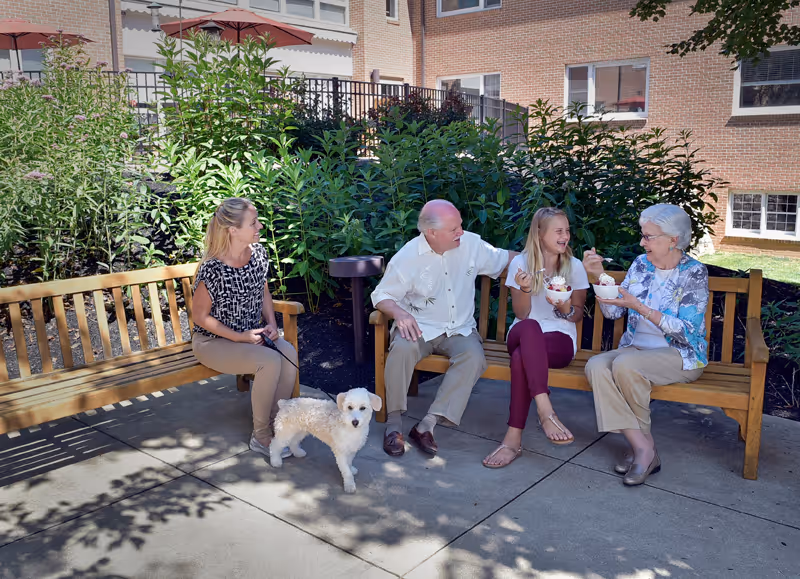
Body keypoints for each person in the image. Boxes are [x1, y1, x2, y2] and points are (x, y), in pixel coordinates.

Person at [371, 199, 517, 457]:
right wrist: (399, 313)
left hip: (459, 329)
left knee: (473, 358)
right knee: (401, 350)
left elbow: (507, 260)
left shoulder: (471, 244)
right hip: (419, 327)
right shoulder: (407, 257)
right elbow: (381, 294)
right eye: (454, 229)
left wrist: (549, 262)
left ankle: (427, 425)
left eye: (460, 225)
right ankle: (393, 424)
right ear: (431, 233)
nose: (461, 232)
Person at [583, 203, 708, 486]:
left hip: (681, 356)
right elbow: (614, 312)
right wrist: (597, 276)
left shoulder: (694, 273)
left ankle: (641, 452)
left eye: (649, 236)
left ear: (673, 240)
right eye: (643, 235)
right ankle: (644, 446)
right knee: (596, 367)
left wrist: (639, 307)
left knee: (626, 365)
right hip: (635, 349)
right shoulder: (640, 264)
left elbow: (688, 333)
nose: (642, 242)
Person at [192, 197, 298, 459]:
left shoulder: (258, 255)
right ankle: (261, 436)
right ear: (233, 230)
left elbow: (263, 293)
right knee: (270, 361)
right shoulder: (213, 269)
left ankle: (278, 425)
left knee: (289, 354)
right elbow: (199, 317)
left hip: (251, 338)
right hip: (213, 342)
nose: (260, 226)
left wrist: (272, 325)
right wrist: (239, 337)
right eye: (253, 223)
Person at [483, 207, 589, 468]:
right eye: (558, 231)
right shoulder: (521, 263)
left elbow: (576, 316)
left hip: (560, 337)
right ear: (540, 234)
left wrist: (564, 308)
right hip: (523, 332)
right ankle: (545, 410)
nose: (565, 236)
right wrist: (526, 289)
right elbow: (522, 313)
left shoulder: (574, 267)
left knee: (521, 358)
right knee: (530, 327)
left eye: (567, 230)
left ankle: (512, 439)